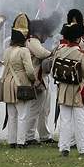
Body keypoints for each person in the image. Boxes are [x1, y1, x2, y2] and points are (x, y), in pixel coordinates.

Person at [55, 9, 84, 157]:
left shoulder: (60, 50)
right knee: (80, 120)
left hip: (64, 89)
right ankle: (83, 149)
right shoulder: (82, 54)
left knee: (65, 120)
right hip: (77, 90)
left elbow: (55, 67)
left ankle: (64, 148)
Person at [0, 13, 37, 148]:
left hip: (8, 84)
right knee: (22, 115)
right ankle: (21, 142)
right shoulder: (24, 51)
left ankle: (12, 141)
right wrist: (33, 80)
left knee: (12, 115)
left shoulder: (7, 50)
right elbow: (30, 71)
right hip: (21, 84)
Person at [25, 13, 60, 145]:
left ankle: (44, 135)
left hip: (43, 79)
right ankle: (29, 137)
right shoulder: (32, 41)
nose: (47, 37)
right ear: (41, 32)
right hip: (36, 80)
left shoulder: (35, 42)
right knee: (35, 110)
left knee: (44, 110)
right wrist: (57, 52)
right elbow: (43, 54)